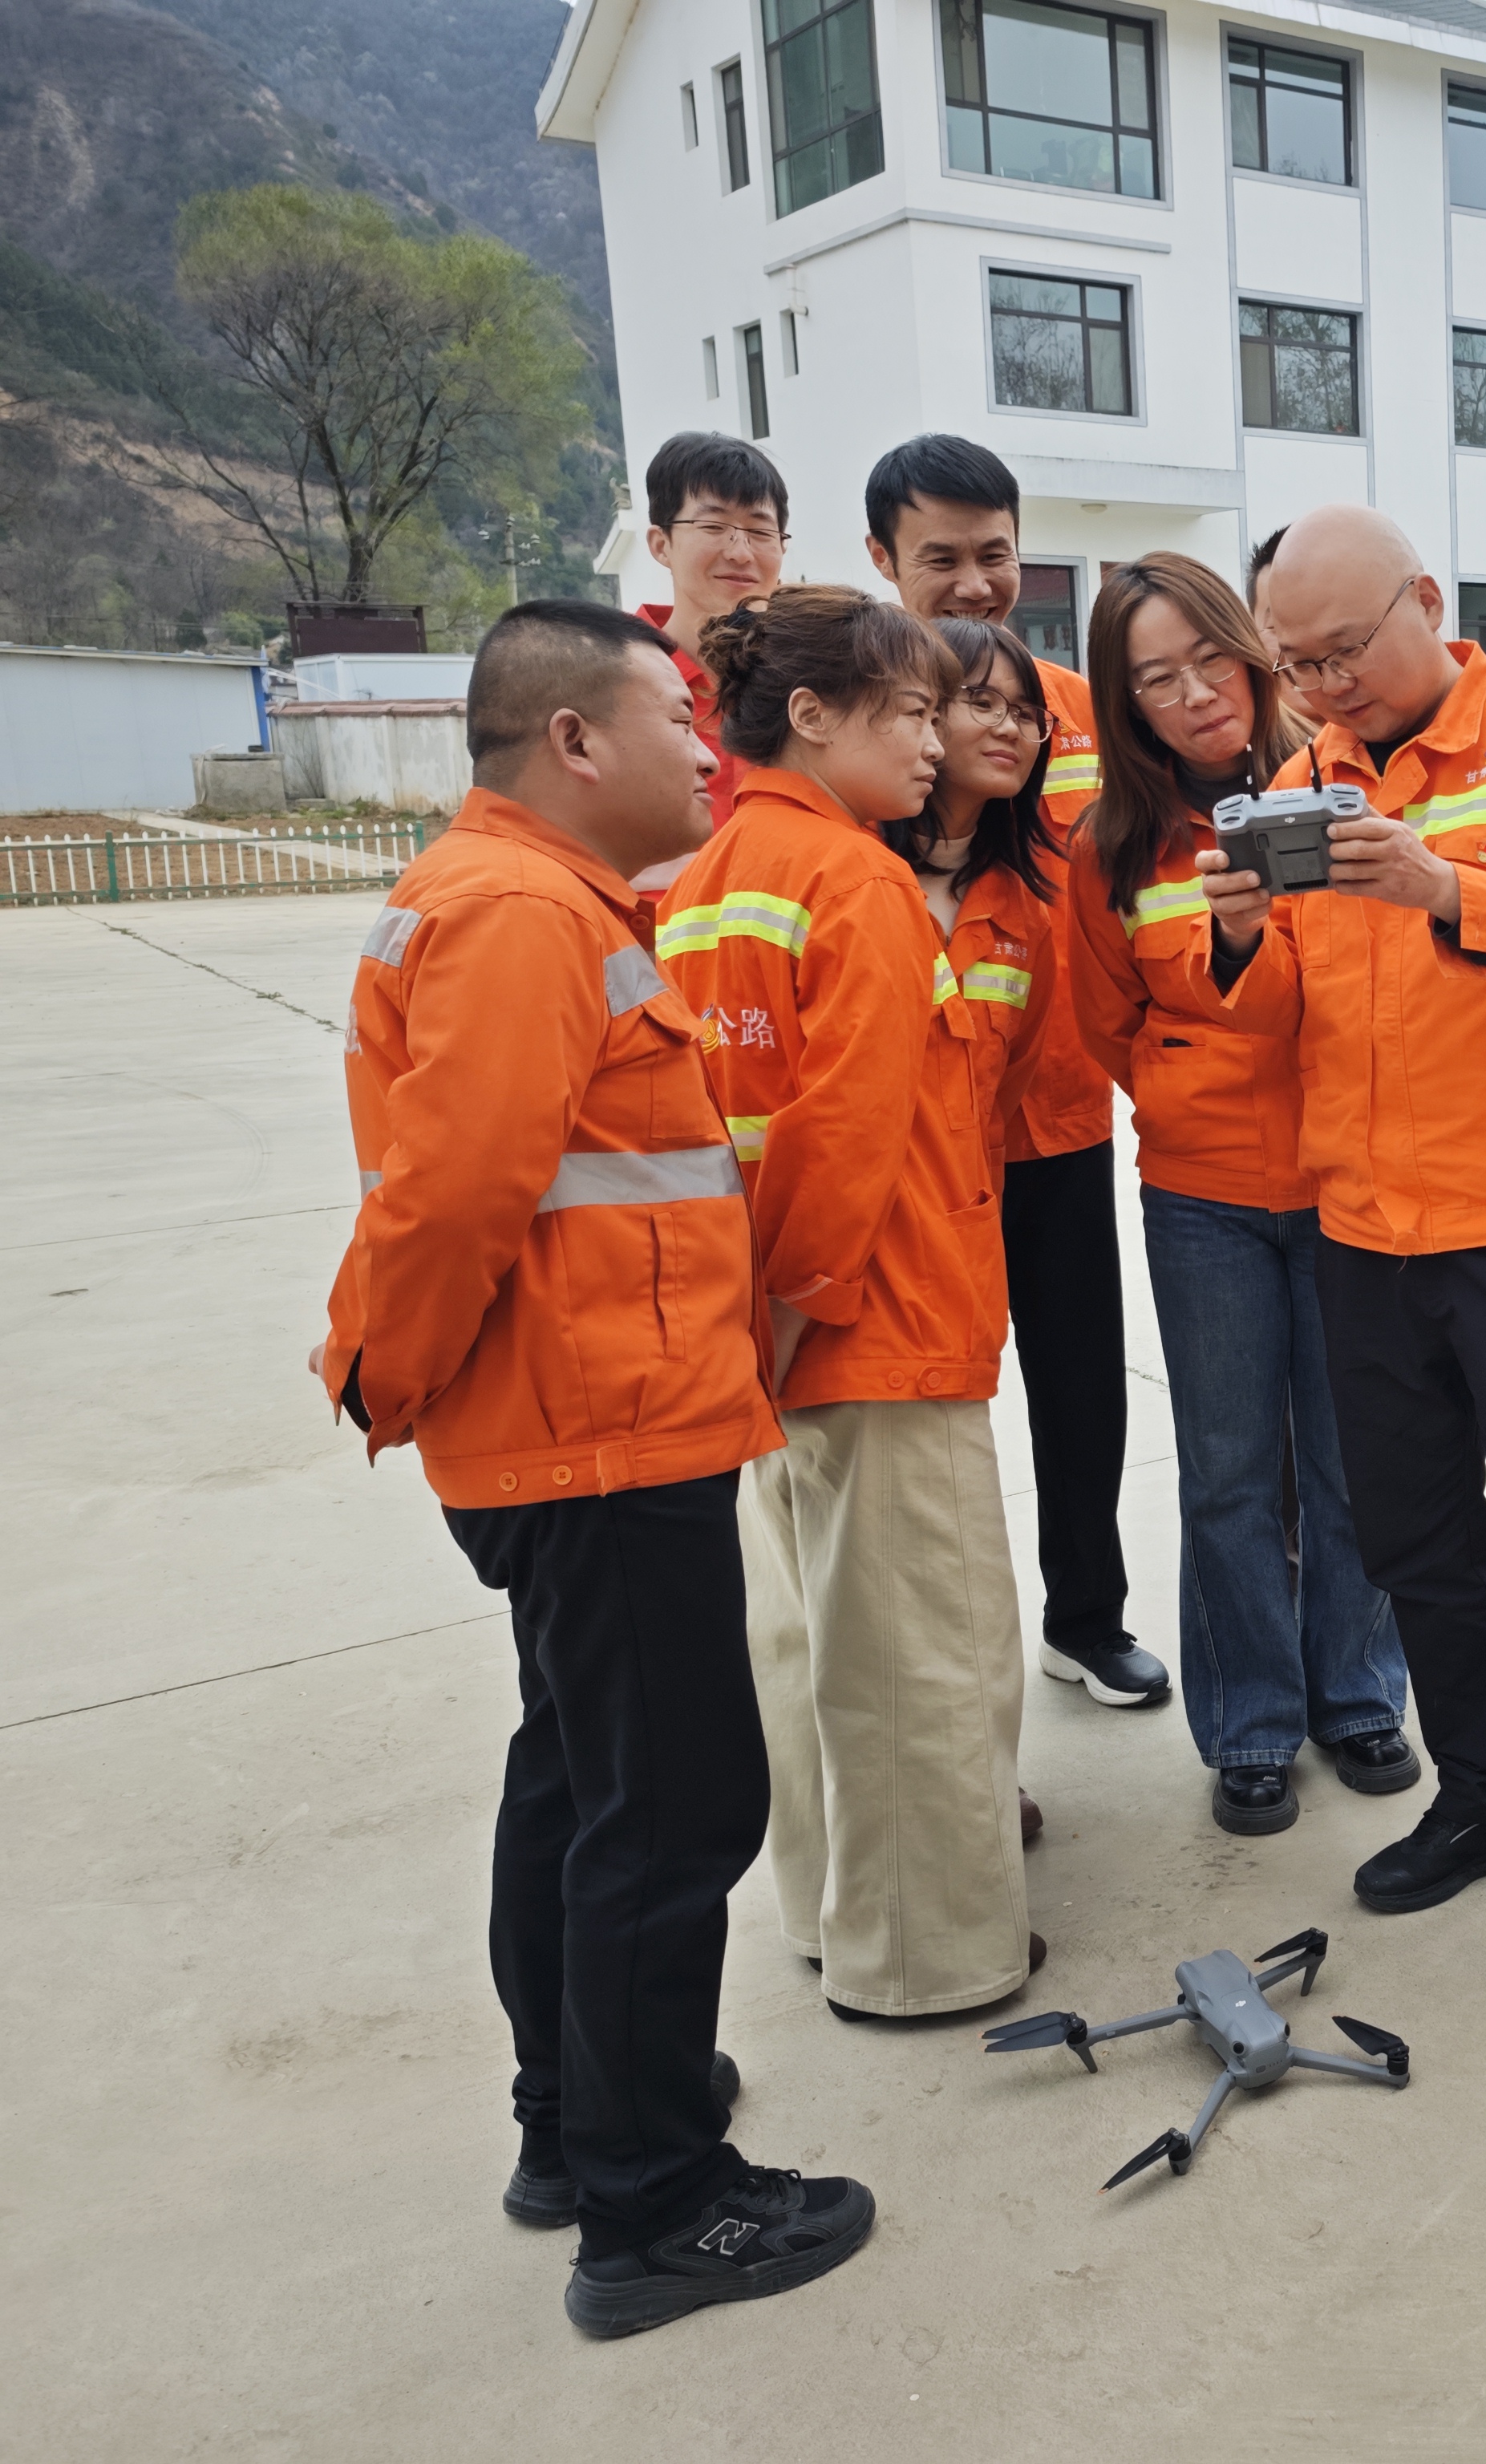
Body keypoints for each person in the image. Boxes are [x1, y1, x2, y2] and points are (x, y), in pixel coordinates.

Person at [320, 599, 873, 2340]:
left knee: (577, 1782)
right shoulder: (519, 917)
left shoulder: (536, 900)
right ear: (571, 740)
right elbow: (454, 1195)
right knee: (671, 1808)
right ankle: (654, 2208)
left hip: (586, 1422)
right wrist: (386, 1373)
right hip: (595, 1436)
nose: (707, 750)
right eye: (675, 718)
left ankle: (575, 2122)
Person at [1151, 505, 1486, 2000]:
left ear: (1427, 603)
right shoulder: (1300, 781)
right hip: (1365, 1232)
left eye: (1343, 650)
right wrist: (1238, 936)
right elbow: (1277, 1011)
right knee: (1418, 1549)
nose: (1323, 685)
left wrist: (1445, 887)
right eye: (1298, 663)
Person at [656, 583, 1049, 2024]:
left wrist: (756, 1325)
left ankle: (834, 1910)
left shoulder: (704, 881)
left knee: (812, 1643)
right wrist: (803, 1304)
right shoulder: (860, 884)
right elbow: (846, 1136)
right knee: (927, 1654)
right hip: (876, 1322)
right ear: (814, 717)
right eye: (909, 714)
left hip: (760, 1329)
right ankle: (927, 1957)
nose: (936, 744)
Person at [1067, 549, 1412, 1837]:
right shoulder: (1112, 847)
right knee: (1226, 1472)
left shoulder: (1341, 786)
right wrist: (1187, 1083)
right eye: (1156, 680)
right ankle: (1252, 1723)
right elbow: (1108, 1024)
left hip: (1343, 1179)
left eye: (1211, 659)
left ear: (1254, 653)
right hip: (1203, 1196)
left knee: (1352, 1460)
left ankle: (1359, 1694)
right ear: (1126, 705)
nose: (1195, 695)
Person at [865, 434, 1169, 1715]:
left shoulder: (1078, 708)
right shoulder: (863, 730)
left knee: (1081, 1384)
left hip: (1059, 1115)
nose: (977, 582)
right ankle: (941, 1676)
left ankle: (1084, 1617)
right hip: (914, 1142)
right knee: (925, 1416)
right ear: (884, 561)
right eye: (941, 557)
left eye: (995, 553)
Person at [634, 431, 789, 829]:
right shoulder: (613, 680)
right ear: (661, 544)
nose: (740, 552)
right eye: (713, 527)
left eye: (760, 532)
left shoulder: (816, 677)